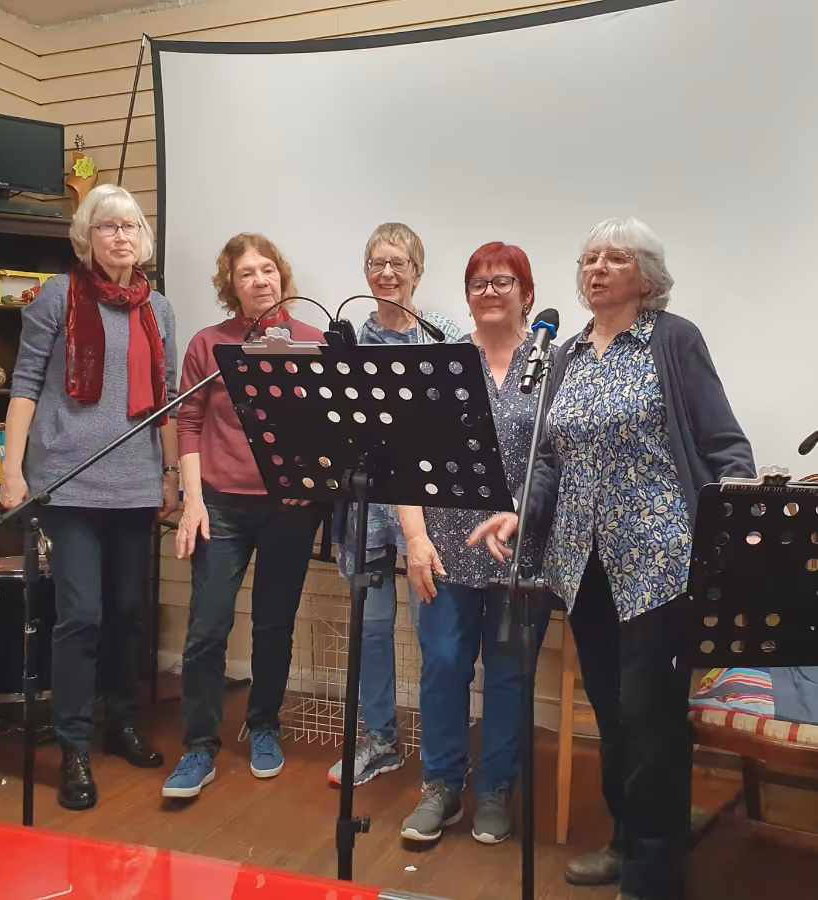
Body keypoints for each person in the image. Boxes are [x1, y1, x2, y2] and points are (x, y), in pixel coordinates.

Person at [469, 218, 755, 899]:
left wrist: (736, 526)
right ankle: (628, 841)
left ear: (645, 275)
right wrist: (521, 509)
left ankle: (655, 872)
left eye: (615, 257)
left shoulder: (673, 340)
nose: (596, 268)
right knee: (611, 710)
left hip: (660, 560)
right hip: (583, 563)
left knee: (650, 718)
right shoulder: (567, 352)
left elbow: (724, 444)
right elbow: (549, 461)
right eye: (589, 258)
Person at [2, 184, 179, 811]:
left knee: (128, 612)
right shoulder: (58, 295)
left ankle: (120, 723)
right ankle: (73, 746)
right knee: (81, 615)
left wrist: (170, 474)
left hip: (135, 483)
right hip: (68, 482)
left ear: (142, 238)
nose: (120, 236)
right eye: (107, 226)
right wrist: (13, 470)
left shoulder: (159, 307)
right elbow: (25, 383)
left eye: (130, 226)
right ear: (87, 237)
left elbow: (168, 397)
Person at [394, 241, 552, 845]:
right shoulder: (443, 365)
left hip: (522, 555)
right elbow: (405, 459)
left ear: (527, 294)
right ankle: (442, 787)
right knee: (443, 668)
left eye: (502, 281)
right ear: (466, 295)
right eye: (478, 282)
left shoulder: (555, 365)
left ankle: (495, 790)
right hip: (445, 549)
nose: (489, 291)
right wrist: (414, 538)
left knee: (509, 676)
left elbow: (561, 460)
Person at [162, 233, 326, 800]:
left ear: (282, 276)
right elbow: (187, 423)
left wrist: (311, 477)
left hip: (289, 510)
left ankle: (263, 726)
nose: (261, 280)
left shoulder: (313, 341)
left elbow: (328, 424)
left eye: (268, 269)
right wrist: (192, 501)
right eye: (246, 273)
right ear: (230, 286)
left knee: (274, 624)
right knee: (207, 626)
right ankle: (198, 746)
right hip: (221, 505)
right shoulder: (209, 345)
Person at [328, 222, 462, 788]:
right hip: (367, 513)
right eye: (377, 264)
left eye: (398, 263)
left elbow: (458, 421)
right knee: (373, 629)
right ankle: (380, 740)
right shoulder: (350, 341)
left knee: (435, 637)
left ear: (417, 273)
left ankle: (442, 757)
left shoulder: (443, 336)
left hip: (428, 515)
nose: (386, 274)